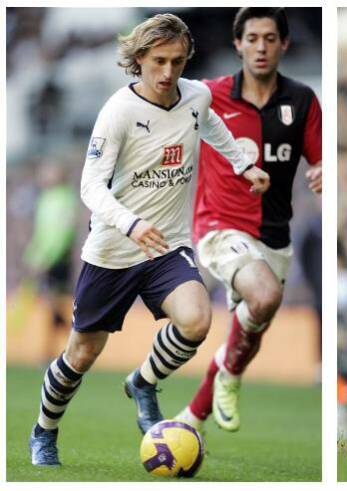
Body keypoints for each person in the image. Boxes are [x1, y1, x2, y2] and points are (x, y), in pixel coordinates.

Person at [29, 13, 270, 466]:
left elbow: (211, 123)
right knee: (81, 354)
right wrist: (132, 224)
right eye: (158, 61)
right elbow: (90, 187)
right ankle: (44, 430)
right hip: (115, 249)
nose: (168, 73)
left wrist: (242, 164)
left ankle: (143, 381)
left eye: (177, 62)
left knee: (197, 320)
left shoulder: (195, 96)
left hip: (167, 246)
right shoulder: (118, 111)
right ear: (139, 59)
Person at [174, 7, 322, 432]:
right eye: (252, 37)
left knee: (250, 329)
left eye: (269, 38)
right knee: (263, 296)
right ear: (237, 43)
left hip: (275, 238)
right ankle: (230, 376)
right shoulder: (208, 95)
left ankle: (194, 414)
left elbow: (321, 156)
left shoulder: (303, 100)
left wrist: (323, 169)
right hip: (219, 227)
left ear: (284, 44)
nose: (260, 46)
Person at [22, 163, 79, 363]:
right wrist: (32, 257)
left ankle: (76, 341)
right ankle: (60, 349)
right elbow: (41, 233)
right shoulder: (45, 199)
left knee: (54, 303)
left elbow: (62, 234)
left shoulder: (65, 198)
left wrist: (46, 260)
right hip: (45, 259)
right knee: (52, 307)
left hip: (57, 260)